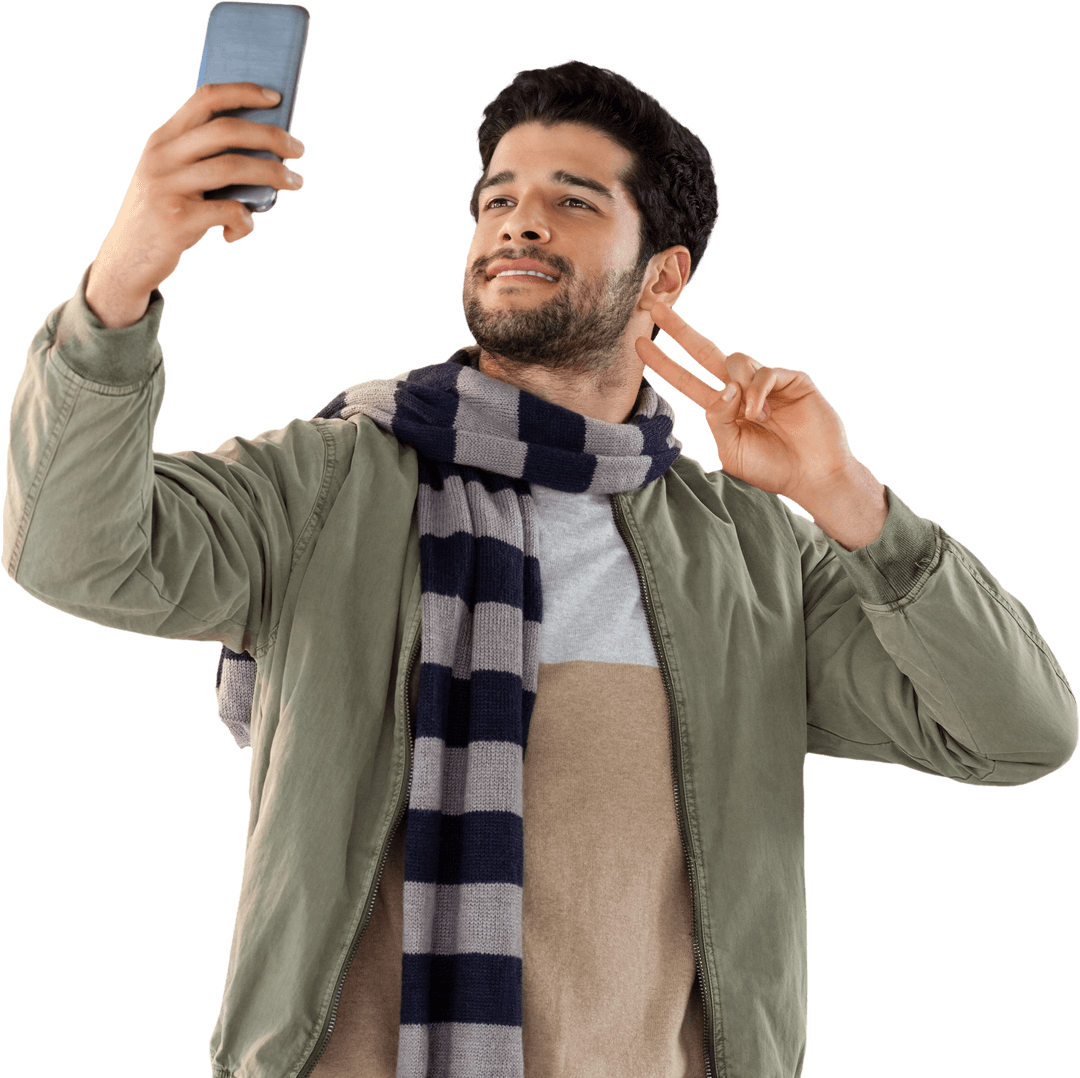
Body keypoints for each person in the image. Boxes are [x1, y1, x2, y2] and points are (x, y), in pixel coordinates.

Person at [4, 58, 1076, 1078]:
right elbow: (69, 548)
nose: (517, 218)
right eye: (498, 197)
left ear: (664, 276)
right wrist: (121, 281)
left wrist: (849, 501)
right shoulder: (331, 483)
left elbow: (1018, 731)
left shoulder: (752, 556)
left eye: (573, 199)